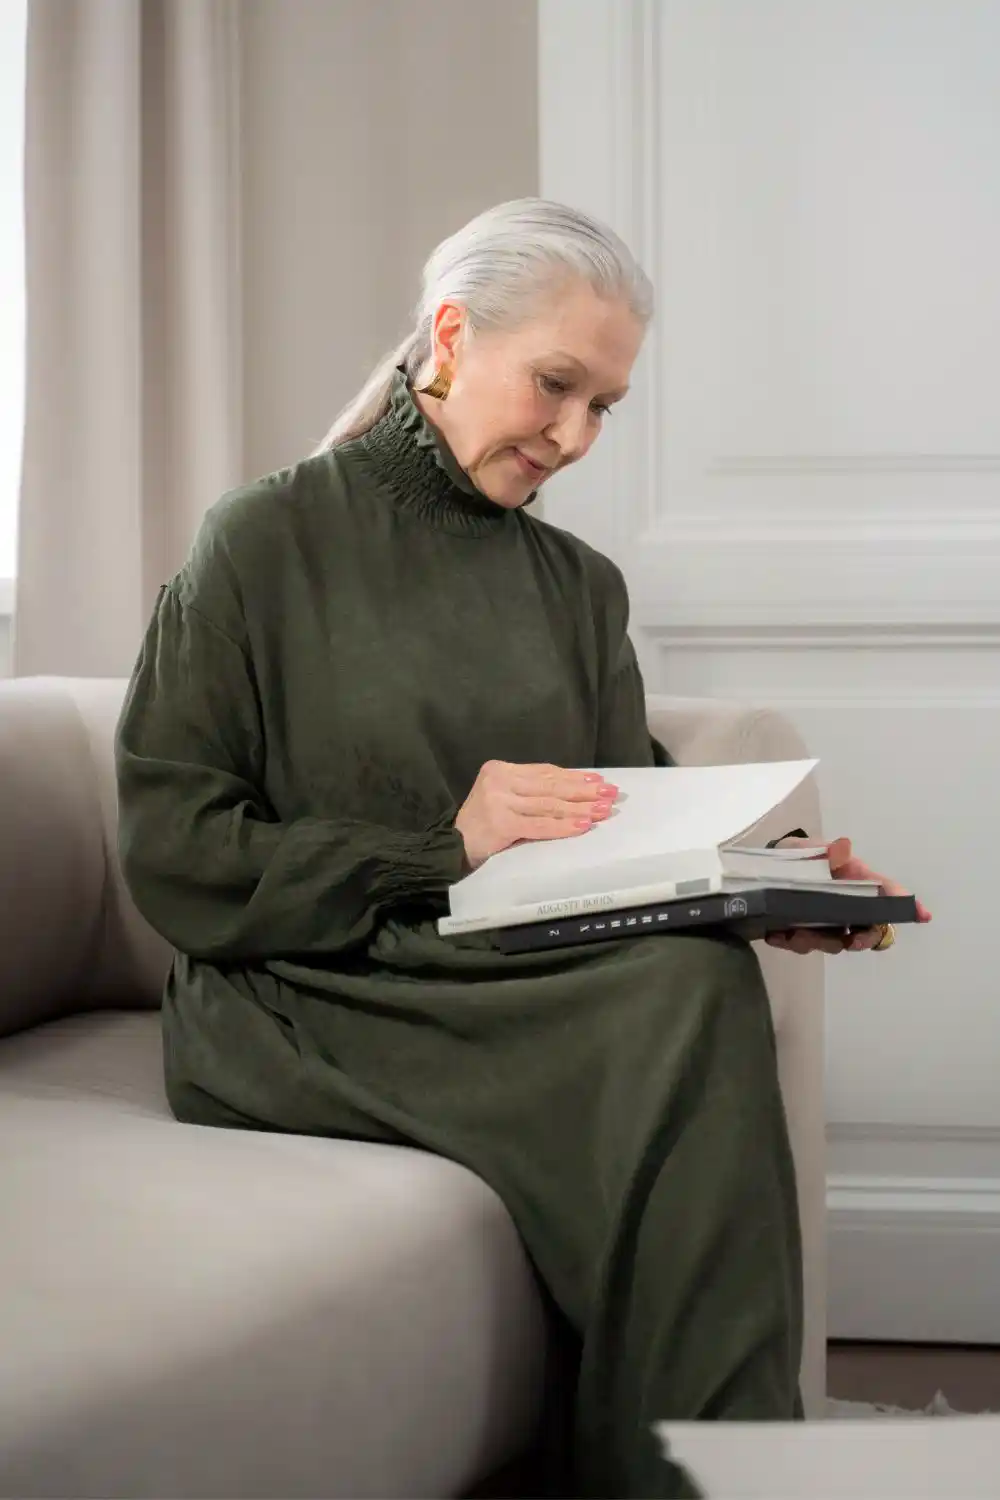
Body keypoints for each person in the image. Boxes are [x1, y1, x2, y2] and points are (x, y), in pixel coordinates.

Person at [115, 198, 930, 1498]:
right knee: (675, 1003)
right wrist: (439, 846)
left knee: (695, 975)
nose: (575, 436)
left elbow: (631, 821)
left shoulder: (576, 587)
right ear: (449, 334)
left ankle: (706, 1464)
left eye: (603, 405)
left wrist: (766, 885)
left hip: (506, 973)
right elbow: (175, 852)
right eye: (557, 386)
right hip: (301, 990)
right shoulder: (261, 543)